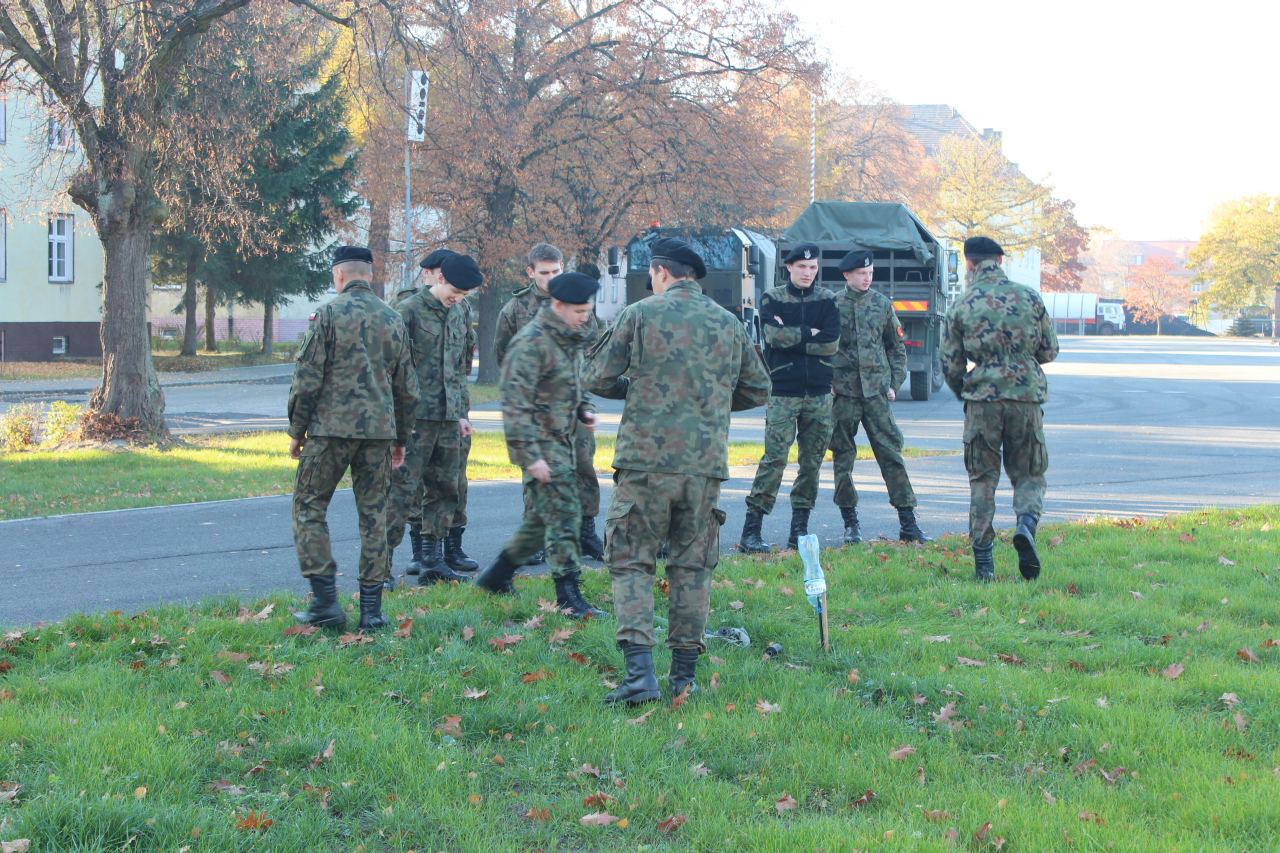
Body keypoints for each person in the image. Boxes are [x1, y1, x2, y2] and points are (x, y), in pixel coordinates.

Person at [584, 237, 771, 706]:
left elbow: (595, 375)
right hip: (703, 466)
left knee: (631, 562)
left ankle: (639, 676)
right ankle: (683, 679)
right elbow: (759, 388)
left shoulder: (640, 314)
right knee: (692, 568)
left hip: (645, 463)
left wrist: (636, 388)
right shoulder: (727, 323)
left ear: (661, 272)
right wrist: (709, 400)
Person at [288, 246, 418, 630]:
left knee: (309, 507)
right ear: (370, 276)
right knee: (375, 516)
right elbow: (408, 389)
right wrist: (401, 439)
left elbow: (306, 379)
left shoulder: (327, 315)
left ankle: (325, 602)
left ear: (339, 275)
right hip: (378, 435)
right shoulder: (394, 319)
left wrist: (297, 430)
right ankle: (372, 612)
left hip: (329, 431)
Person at [476, 272, 607, 618]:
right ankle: (568, 595)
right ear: (558, 305)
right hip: (539, 442)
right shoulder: (531, 343)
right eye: (579, 312)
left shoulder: (568, 339)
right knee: (566, 514)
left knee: (541, 518)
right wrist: (529, 456)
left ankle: (498, 575)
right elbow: (514, 404)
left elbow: (575, 383)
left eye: (587, 312)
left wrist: (584, 408)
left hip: (564, 439)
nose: (585, 318)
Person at [940, 236, 1059, 581]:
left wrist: (967, 391)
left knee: (982, 480)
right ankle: (1025, 525)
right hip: (1026, 398)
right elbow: (1050, 350)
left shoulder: (962, 303)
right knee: (1029, 473)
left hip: (983, 402)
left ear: (969, 264)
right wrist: (1020, 363)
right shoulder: (1029, 297)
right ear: (1000, 261)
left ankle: (984, 564)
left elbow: (950, 363)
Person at [494, 243, 606, 565]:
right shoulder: (515, 310)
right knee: (540, 478)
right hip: (539, 413)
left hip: (574, 406)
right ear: (530, 272)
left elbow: (591, 353)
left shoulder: (578, 303)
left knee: (583, 467)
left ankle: (586, 530)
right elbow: (504, 358)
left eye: (556, 271)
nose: (551, 277)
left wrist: (585, 402)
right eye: (544, 272)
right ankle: (536, 542)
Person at [387, 252, 484, 585]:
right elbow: (390, 368)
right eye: (455, 290)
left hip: (447, 419)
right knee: (400, 492)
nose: (458, 298)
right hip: (414, 419)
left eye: (464, 294)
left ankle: (432, 561)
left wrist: (460, 414)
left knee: (445, 490)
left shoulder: (459, 312)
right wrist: (398, 419)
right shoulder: (408, 311)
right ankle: (379, 567)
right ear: (439, 278)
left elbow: (457, 370)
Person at [739, 242, 840, 553]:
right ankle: (751, 531)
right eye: (802, 267)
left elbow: (831, 342)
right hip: (784, 391)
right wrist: (810, 332)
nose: (808, 273)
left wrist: (795, 334)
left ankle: (799, 531)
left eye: (813, 268)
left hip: (819, 393)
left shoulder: (827, 299)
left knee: (811, 464)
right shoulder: (773, 298)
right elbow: (773, 336)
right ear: (789, 267)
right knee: (774, 460)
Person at [828, 248, 929, 544]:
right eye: (861, 273)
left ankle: (908, 523)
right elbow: (821, 348)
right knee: (843, 458)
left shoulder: (882, 304)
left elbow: (896, 348)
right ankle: (850, 523)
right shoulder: (833, 305)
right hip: (844, 395)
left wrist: (894, 383)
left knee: (891, 455)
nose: (867, 278)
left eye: (870, 273)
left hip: (876, 395)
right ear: (847, 275)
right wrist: (827, 381)